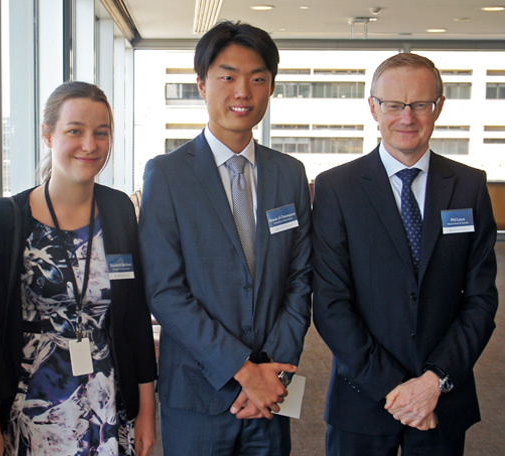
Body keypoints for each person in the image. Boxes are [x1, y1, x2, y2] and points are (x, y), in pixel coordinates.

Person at [139, 20, 312, 455]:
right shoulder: (167, 174)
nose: (243, 92)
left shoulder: (290, 174)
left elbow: (300, 278)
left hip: (272, 391)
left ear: (270, 87)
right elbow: (165, 290)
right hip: (198, 394)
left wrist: (272, 373)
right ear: (201, 84)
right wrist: (242, 370)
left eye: (258, 79)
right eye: (227, 77)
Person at [312, 52, 498, 456]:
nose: (406, 118)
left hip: (442, 399)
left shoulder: (469, 187)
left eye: (420, 105)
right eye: (393, 105)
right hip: (361, 398)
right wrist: (396, 391)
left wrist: (433, 382)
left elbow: (481, 301)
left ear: (439, 107)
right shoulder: (336, 189)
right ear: (373, 108)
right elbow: (330, 304)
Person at [0, 81, 157, 456]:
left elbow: (135, 320)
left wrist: (147, 411)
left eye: (101, 133)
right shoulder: (7, 218)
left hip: (106, 404)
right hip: (33, 407)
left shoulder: (119, 211)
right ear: (48, 135)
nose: (90, 145)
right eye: (75, 131)